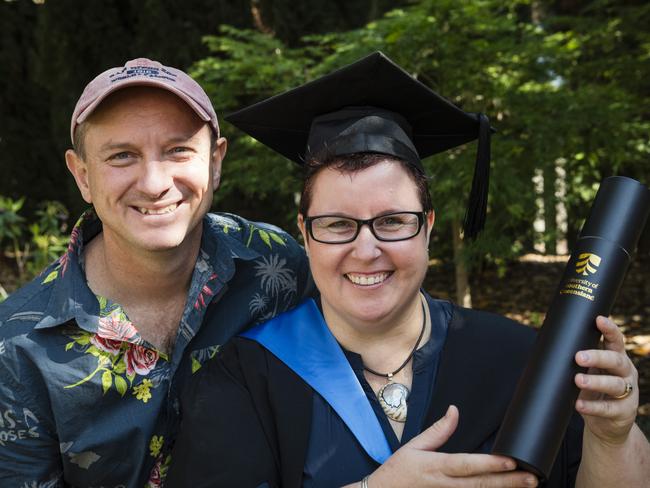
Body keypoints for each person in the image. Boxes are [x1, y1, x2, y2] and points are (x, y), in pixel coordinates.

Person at [166, 52, 650, 487]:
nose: (366, 249)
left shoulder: (521, 359)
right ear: (304, 232)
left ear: (428, 227)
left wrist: (612, 439)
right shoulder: (245, 376)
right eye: (337, 225)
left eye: (393, 222)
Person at [0, 58, 312, 487]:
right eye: (122, 156)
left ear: (216, 162)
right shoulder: (18, 349)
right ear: (83, 175)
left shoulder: (277, 266)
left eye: (178, 150)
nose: (154, 182)